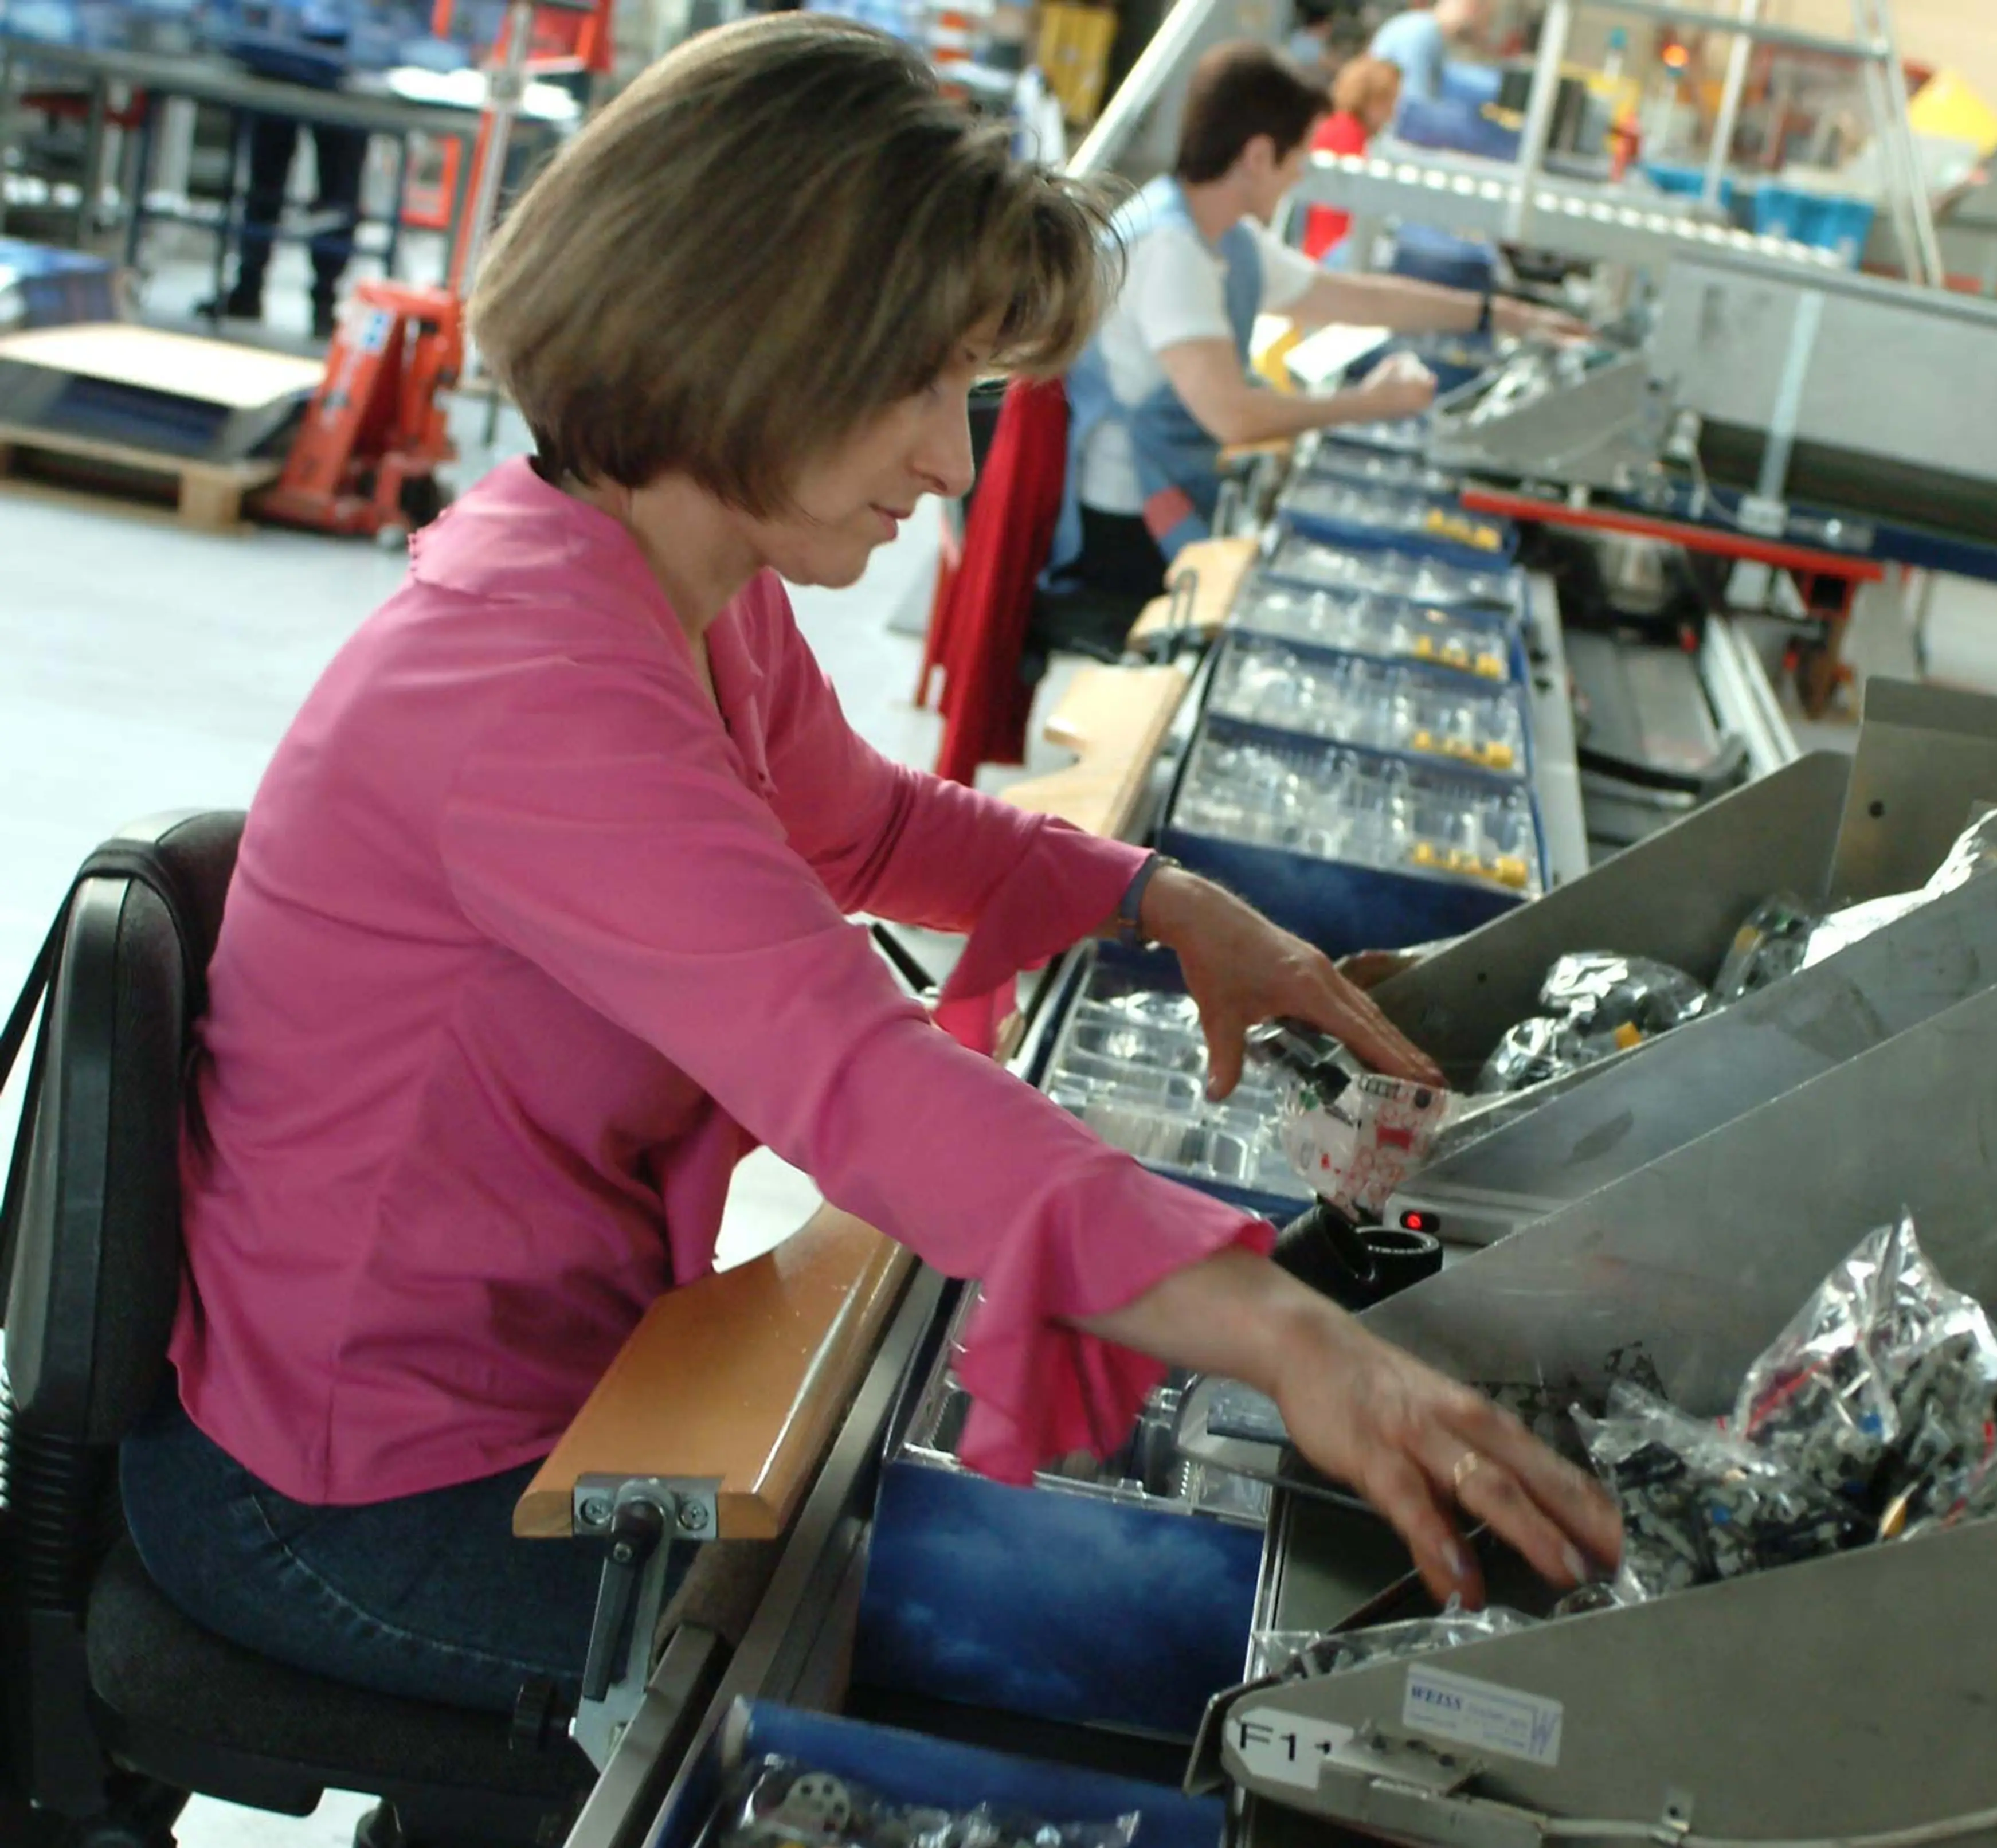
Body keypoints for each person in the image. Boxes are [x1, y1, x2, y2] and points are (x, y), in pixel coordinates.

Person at [117, 12, 1619, 1771]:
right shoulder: (527, 683)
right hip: (345, 1490)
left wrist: (1169, 902)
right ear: (743, 338)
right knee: (853, 1674)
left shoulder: (675, 589)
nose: (950, 462)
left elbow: (870, 827)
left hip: (520, 1389)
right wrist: (1288, 1339)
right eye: (917, 388)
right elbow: (854, 1077)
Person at [1051, 39, 1580, 611]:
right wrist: (1368, 403)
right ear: (1257, 156)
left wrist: (1497, 315)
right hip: (1123, 519)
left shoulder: (1229, 237)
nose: (1301, 174)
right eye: (1299, 155)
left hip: (1172, 489)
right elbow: (1234, 416)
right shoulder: (1171, 249)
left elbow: (1358, 299)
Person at [202, 3, 370, 340]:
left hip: (349, 59)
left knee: (338, 190)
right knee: (265, 177)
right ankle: (248, 285)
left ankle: (325, 299)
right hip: (278, 47)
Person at [1303, 53, 1403, 262]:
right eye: (1389, 102)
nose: (1392, 114)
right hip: (1332, 250)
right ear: (1370, 100)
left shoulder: (1339, 127)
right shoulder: (1346, 135)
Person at [1369, 0, 1483, 104]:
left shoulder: (1432, 33)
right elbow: (1414, 100)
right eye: (1469, 8)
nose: (1471, 17)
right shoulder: (1424, 30)